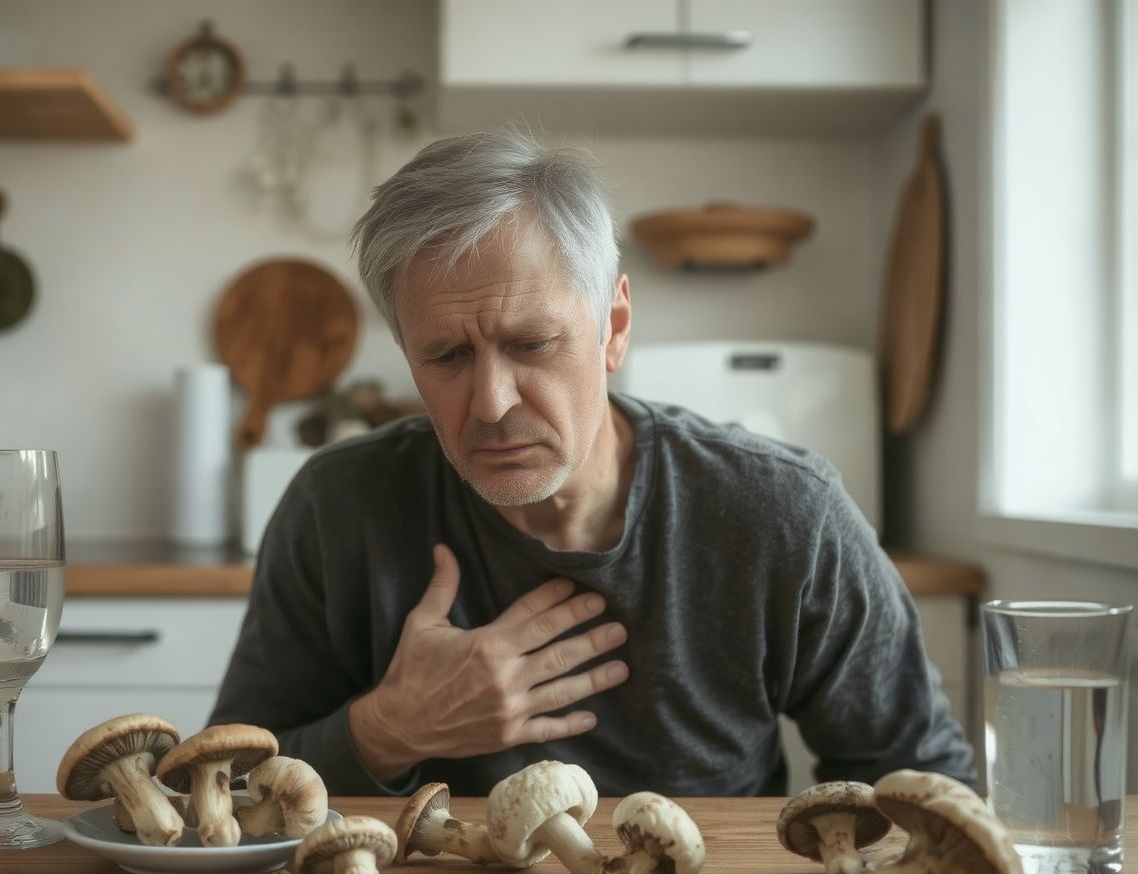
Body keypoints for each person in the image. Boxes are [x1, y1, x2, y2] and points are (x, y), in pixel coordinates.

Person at [208, 128, 974, 798]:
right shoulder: (338, 507)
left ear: (614, 325)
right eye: (444, 355)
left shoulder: (780, 513)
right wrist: (389, 728)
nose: (491, 403)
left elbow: (923, 780)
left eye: (531, 344)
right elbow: (216, 796)